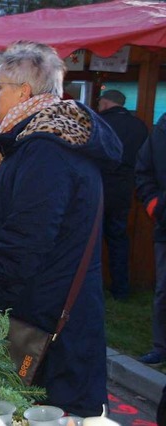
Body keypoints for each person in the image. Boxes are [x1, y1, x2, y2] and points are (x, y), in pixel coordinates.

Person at [0, 41, 122, 416]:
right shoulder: (42, 141)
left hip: (44, 333)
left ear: (24, 92)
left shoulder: (47, 150)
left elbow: (24, 244)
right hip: (45, 319)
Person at [97, 89, 148, 300]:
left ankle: (90, 288)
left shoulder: (99, 122)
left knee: (92, 240)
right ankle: (121, 289)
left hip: (99, 188)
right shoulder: (139, 126)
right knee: (118, 238)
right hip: (124, 190)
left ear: (107, 104)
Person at [135, 112, 166, 365]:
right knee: (164, 290)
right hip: (165, 225)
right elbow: (143, 169)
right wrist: (155, 205)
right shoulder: (162, 130)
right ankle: (161, 346)